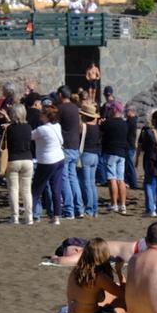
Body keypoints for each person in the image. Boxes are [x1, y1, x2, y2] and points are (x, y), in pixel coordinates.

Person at [62, 239, 127, 313]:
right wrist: (119, 271)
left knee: (108, 303)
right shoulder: (98, 276)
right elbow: (125, 295)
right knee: (122, 303)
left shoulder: (76, 271)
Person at [32, 105, 67, 224]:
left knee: (36, 189)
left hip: (47, 161)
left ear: (46, 116)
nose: (40, 115)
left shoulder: (42, 129)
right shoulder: (57, 126)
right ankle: (56, 217)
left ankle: (31, 214)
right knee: (56, 189)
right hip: (59, 158)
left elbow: (29, 136)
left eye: (42, 113)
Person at [4, 104, 35, 224]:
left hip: (13, 159)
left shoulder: (10, 129)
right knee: (27, 190)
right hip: (27, 159)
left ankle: (15, 216)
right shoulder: (28, 127)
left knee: (13, 189)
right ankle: (29, 217)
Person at [57, 87, 84, 218]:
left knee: (65, 178)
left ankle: (69, 210)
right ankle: (79, 208)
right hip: (75, 145)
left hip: (65, 146)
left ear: (61, 95)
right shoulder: (75, 108)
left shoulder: (60, 109)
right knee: (73, 178)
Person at [101, 104, 130, 215]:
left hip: (111, 152)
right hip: (121, 152)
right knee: (120, 179)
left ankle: (114, 204)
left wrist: (102, 123)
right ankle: (122, 205)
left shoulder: (108, 123)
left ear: (113, 110)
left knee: (112, 178)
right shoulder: (125, 124)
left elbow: (102, 133)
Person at [79, 104, 102, 217]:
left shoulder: (84, 127)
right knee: (92, 184)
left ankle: (88, 209)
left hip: (86, 154)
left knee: (86, 183)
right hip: (95, 155)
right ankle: (94, 209)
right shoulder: (97, 127)